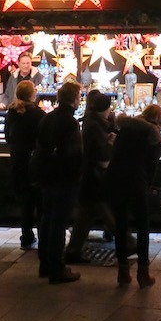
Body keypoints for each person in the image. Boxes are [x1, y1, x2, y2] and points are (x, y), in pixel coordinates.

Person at [106, 103, 161, 287]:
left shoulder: (126, 128)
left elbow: (114, 153)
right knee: (142, 226)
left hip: (115, 178)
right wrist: (147, 185)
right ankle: (143, 272)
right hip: (137, 181)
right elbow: (151, 166)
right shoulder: (153, 135)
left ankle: (123, 272)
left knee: (121, 225)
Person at [34, 80, 83, 283]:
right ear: (73, 99)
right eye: (79, 96)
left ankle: (45, 264)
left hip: (46, 175)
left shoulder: (48, 118)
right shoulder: (70, 122)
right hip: (63, 178)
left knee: (47, 220)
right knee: (59, 223)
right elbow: (75, 154)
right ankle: (57, 268)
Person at [64, 89, 119, 265]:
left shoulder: (92, 122)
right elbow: (99, 151)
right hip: (93, 175)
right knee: (99, 211)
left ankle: (73, 250)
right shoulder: (94, 125)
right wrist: (111, 141)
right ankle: (127, 242)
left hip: (89, 176)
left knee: (86, 216)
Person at [4, 80, 44, 250]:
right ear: (32, 94)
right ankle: (43, 237)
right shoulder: (39, 115)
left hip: (17, 163)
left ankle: (26, 236)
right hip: (35, 163)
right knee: (40, 203)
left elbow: (7, 137)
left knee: (25, 203)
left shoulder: (11, 113)